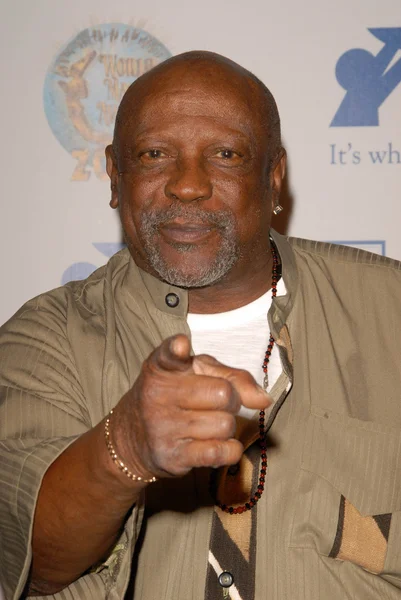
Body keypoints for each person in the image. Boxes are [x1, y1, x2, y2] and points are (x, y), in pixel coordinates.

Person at [1, 51, 401, 600]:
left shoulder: (391, 311)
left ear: (274, 175)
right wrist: (125, 447)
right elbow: (30, 563)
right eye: (154, 154)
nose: (187, 185)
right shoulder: (46, 339)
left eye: (227, 154)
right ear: (116, 177)